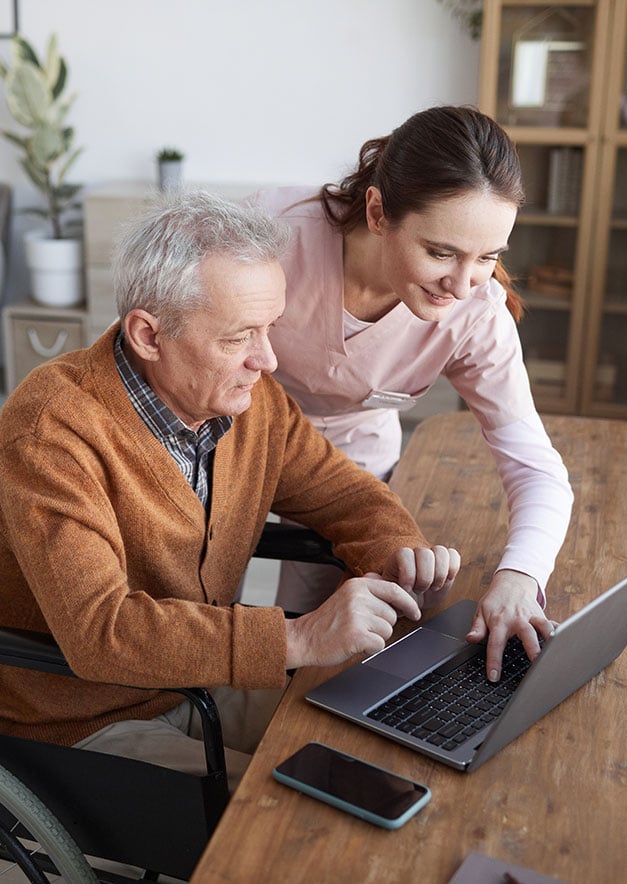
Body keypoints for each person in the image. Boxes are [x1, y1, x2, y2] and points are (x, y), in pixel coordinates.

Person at [0, 191, 460, 789]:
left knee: (388, 734)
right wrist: (297, 636)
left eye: (270, 328)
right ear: (148, 335)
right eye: (238, 337)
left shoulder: (250, 404)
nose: (267, 360)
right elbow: (101, 632)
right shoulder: (52, 427)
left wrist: (400, 551)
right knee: (297, 806)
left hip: (194, 682)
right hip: (76, 717)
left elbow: (341, 494)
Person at [249, 105, 573, 682]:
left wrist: (522, 576)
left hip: (354, 469)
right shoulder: (270, 239)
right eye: (442, 252)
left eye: (488, 257)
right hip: (236, 446)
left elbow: (534, 465)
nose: (462, 283)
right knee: (236, 624)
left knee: (344, 651)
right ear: (377, 211)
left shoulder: (475, 313)